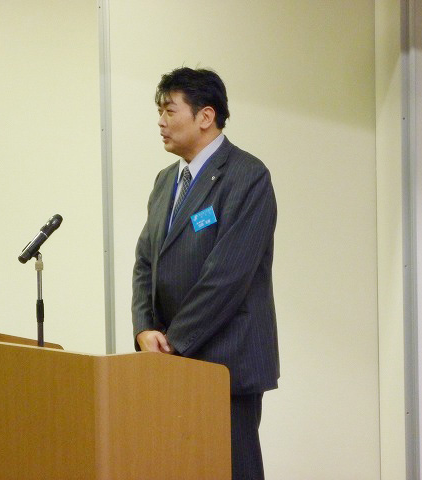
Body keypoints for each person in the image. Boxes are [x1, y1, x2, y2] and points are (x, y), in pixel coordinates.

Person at [132, 67, 279, 480]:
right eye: (159, 112)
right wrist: (144, 329)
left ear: (205, 116)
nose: (160, 122)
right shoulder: (166, 181)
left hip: (225, 362)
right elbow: (145, 261)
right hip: (170, 360)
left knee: (232, 469)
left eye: (169, 110)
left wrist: (174, 343)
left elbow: (227, 277)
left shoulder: (247, 176)